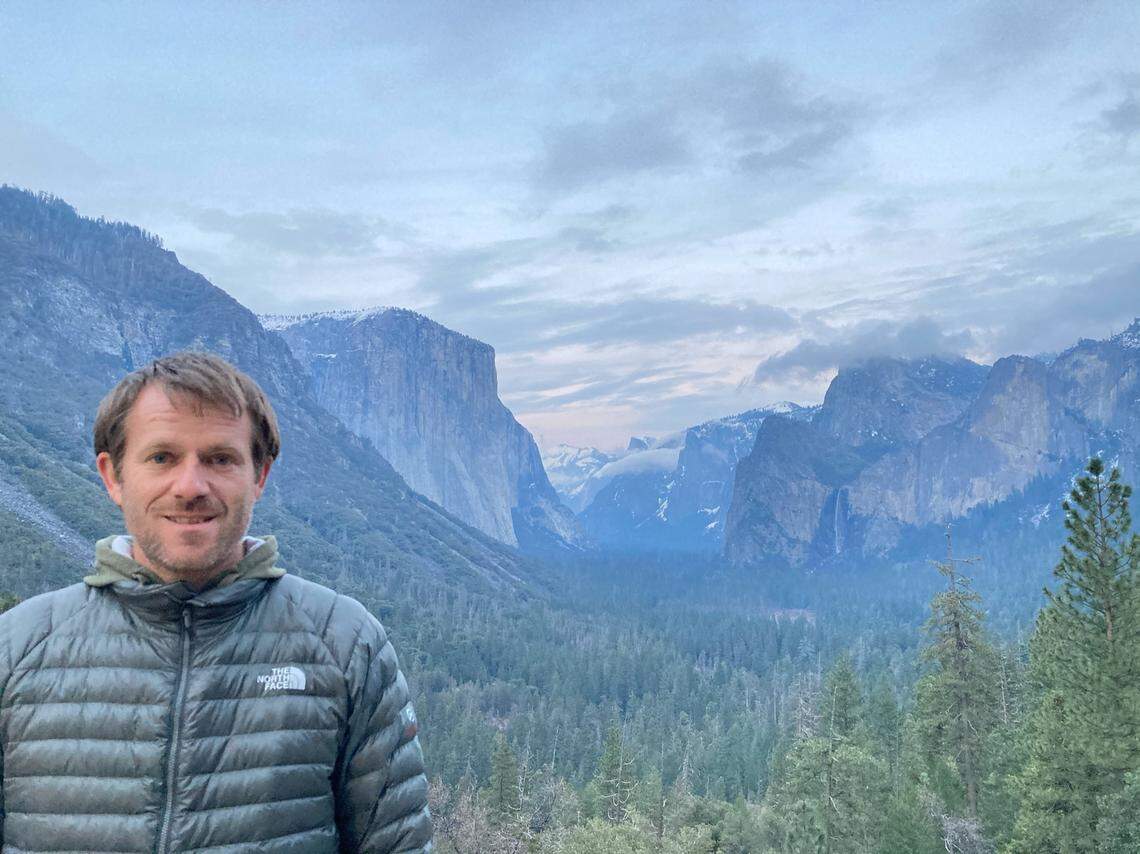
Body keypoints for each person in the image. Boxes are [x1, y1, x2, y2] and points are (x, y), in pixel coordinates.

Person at [0, 352, 433, 852]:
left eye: (220, 458)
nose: (190, 486)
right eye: (162, 457)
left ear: (260, 475)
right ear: (113, 476)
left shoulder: (345, 644)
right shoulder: (16, 648)